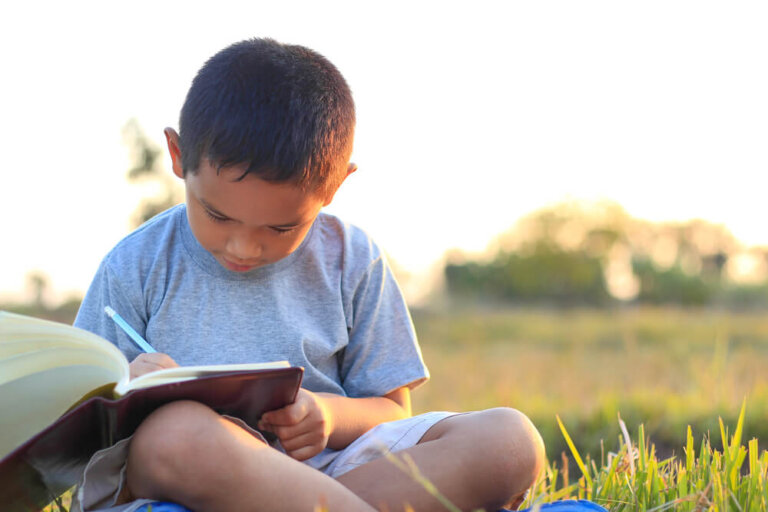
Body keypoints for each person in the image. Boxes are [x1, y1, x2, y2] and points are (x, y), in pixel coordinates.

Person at [73, 38, 545, 512]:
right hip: (194, 480)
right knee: (172, 436)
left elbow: (392, 409)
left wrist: (328, 414)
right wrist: (129, 385)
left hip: (332, 471)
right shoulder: (135, 265)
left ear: (336, 184)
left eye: (280, 227)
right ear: (178, 157)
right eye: (217, 215)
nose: (244, 247)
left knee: (510, 440)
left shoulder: (351, 259)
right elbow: (73, 428)